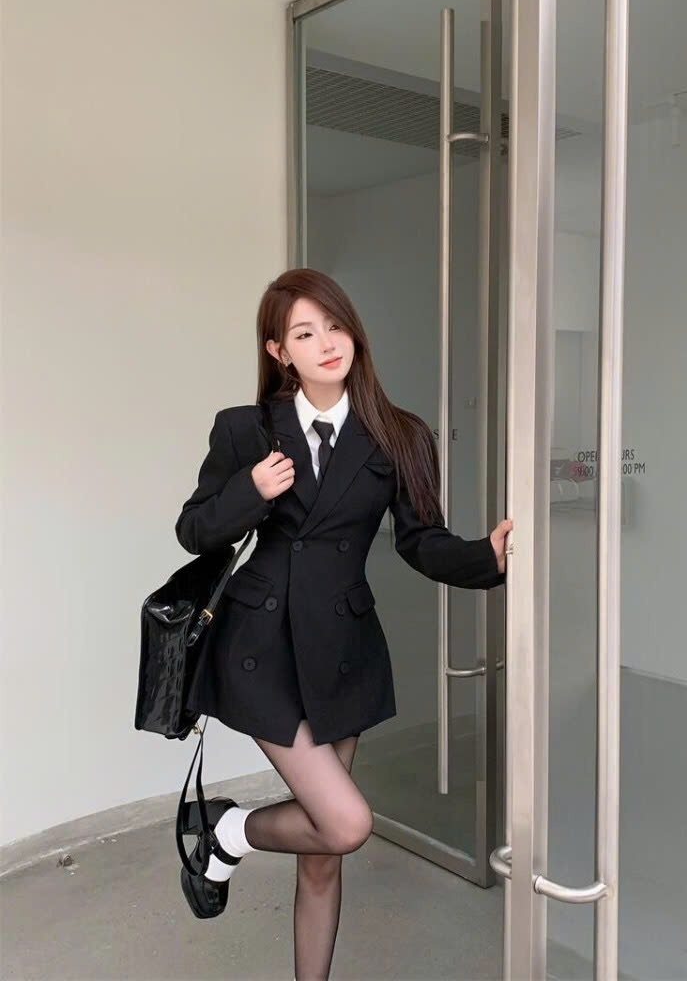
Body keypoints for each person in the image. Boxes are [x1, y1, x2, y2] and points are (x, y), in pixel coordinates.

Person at [174, 267, 513, 980]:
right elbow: (194, 530)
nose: (327, 343)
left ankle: (229, 834)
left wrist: (486, 557)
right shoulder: (245, 429)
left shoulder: (400, 435)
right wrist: (251, 490)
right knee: (346, 822)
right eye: (304, 334)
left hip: (341, 650)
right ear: (278, 352)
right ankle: (230, 831)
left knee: (324, 853)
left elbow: (421, 542)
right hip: (261, 647)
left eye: (334, 326)